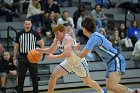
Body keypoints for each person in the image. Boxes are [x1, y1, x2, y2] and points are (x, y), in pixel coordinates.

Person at [37, 24, 106, 93]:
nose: (56, 36)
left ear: (63, 32)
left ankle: (101, 91)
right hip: (68, 63)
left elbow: (67, 53)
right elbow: (50, 50)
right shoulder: (57, 39)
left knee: (88, 83)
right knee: (53, 76)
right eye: (55, 34)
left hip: (79, 64)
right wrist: (39, 50)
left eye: (57, 34)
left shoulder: (67, 39)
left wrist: (54, 57)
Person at [79, 16, 134, 93]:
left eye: (82, 27)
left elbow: (82, 55)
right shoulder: (96, 35)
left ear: (84, 28)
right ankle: (133, 92)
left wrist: (73, 50)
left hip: (115, 60)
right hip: (110, 62)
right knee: (109, 87)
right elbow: (109, 43)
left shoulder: (93, 38)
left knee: (112, 86)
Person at [13, 19, 44, 93]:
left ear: (31, 25)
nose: (27, 25)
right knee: (21, 77)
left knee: (34, 77)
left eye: (29, 24)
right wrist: (14, 58)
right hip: (22, 57)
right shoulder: (19, 34)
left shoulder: (35, 33)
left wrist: (42, 54)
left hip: (32, 57)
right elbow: (16, 46)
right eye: (26, 24)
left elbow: (42, 43)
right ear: (24, 25)